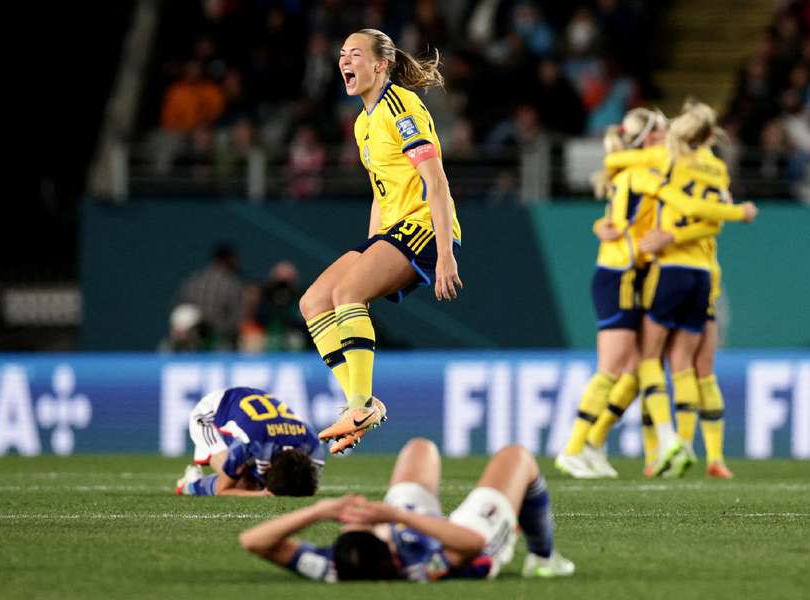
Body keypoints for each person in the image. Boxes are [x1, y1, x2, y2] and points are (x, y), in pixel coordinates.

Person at [299, 29, 462, 454]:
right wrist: (373, 250)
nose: (344, 61)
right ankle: (362, 402)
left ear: (380, 64)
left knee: (348, 293)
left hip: (425, 226)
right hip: (392, 230)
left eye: (355, 53)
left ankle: (358, 405)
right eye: (341, 53)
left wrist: (446, 254)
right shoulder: (362, 121)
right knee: (314, 302)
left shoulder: (401, 106)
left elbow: (437, 181)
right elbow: (380, 189)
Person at [238, 438, 574, 581]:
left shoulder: (333, 567)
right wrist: (397, 516)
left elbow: (253, 541)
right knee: (516, 458)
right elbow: (470, 543)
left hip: (407, 526)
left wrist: (318, 511)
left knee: (419, 449)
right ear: (392, 554)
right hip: (460, 540)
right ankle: (544, 559)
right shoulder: (423, 566)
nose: (352, 520)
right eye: (359, 524)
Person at [635, 101, 758, 478]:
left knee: (650, 359)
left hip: (671, 267)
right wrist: (737, 212)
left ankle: (662, 449)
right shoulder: (717, 169)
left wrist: (670, 235)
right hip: (706, 273)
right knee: (694, 366)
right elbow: (714, 223)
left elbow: (621, 167)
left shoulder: (671, 160)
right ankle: (705, 453)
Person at [555, 108, 668, 480]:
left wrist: (602, 225)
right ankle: (572, 448)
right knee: (611, 368)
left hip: (626, 275)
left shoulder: (633, 171)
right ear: (647, 138)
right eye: (662, 131)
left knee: (635, 370)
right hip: (618, 276)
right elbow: (668, 193)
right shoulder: (641, 173)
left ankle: (594, 441)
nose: (668, 137)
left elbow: (614, 221)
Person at [175, 387, 325, 497]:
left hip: (250, 410)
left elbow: (306, 486)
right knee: (244, 484)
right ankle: (190, 484)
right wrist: (261, 494)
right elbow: (224, 490)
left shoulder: (314, 446)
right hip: (209, 414)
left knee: (264, 483)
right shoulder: (249, 444)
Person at [176, 244, 244, 350]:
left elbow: (179, 310)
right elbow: (237, 320)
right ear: (228, 260)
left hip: (190, 344)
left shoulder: (194, 281)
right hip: (219, 344)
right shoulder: (232, 284)